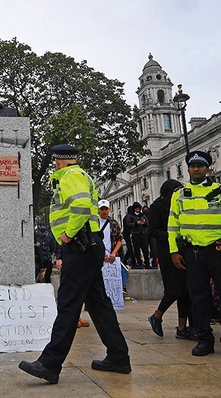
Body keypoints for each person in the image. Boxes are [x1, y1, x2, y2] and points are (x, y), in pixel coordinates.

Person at [19, 145, 131, 384]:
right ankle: (118, 356)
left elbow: (79, 208)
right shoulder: (77, 175)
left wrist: (68, 235)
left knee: (69, 304)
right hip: (88, 245)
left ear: (58, 161)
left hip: (79, 245)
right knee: (98, 303)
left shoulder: (70, 176)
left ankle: (50, 363)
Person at [169, 151, 221, 360]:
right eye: (193, 166)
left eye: (200, 166)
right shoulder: (179, 194)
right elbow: (172, 227)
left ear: (208, 169)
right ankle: (204, 340)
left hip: (219, 251)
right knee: (198, 299)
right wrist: (174, 251)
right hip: (193, 253)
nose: (196, 169)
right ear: (188, 169)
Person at [147, 180, 195, 340]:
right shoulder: (157, 207)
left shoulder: (181, 205)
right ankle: (157, 315)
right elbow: (152, 230)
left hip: (183, 250)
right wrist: (171, 235)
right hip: (166, 251)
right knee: (174, 289)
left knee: (185, 291)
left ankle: (182, 328)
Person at [98, 199, 128, 295]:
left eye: (105, 209)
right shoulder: (94, 223)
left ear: (109, 210)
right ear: (98, 210)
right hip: (98, 255)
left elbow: (119, 239)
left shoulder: (113, 223)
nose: (104, 211)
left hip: (112, 254)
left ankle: (120, 291)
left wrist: (114, 252)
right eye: (101, 209)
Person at [124, 202, 150, 268]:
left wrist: (144, 223)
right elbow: (128, 224)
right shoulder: (131, 216)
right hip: (135, 234)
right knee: (136, 249)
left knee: (145, 249)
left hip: (143, 233)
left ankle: (147, 263)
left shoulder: (142, 215)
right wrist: (135, 223)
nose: (138, 210)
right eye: (136, 209)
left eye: (139, 208)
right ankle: (139, 262)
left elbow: (147, 223)